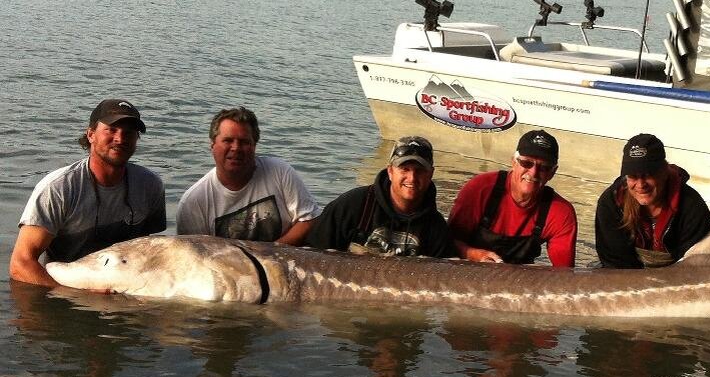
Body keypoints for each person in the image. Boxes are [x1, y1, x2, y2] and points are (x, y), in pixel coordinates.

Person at [10, 99, 166, 287]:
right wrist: (76, 297)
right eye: (111, 129)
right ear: (91, 134)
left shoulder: (150, 185)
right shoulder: (58, 188)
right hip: (67, 292)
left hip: (127, 290)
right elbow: (20, 264)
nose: (120, 138)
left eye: (129, 132)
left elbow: (151, 251)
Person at [176, 107, 321, 245]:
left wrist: (270, 253)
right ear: (212, 145)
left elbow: (308, 219)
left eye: (244, 142)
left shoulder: (280, 171)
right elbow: (196, 255)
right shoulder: (193, 202)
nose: (236, 148)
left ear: (254, 146)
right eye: (228, 140)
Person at [305, 136, 453, 257]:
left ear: (431, 174)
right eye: (404, 169)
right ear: (390, 172)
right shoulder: (351, 205)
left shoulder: (436, 227)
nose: (412, 178)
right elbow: (312, 253)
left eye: (419, 171)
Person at [448, 129, 577, 267]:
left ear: (552, 172)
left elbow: (564, 272)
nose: (533, 172)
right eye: (526, 163)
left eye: (544, 167)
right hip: (468, 270)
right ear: (514, 162)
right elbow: (446, 243)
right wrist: (473, 254)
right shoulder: (480, 188)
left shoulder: (561, 212)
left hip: (521, 279)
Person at [595, 134, 710, 268]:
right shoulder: (611, 202)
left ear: (664, 172)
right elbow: (614, 262)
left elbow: (693, 265)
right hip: (627, 275)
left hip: (677, 276)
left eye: (648, 175)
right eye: (633, 176)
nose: (640, 185)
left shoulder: (692, 206)